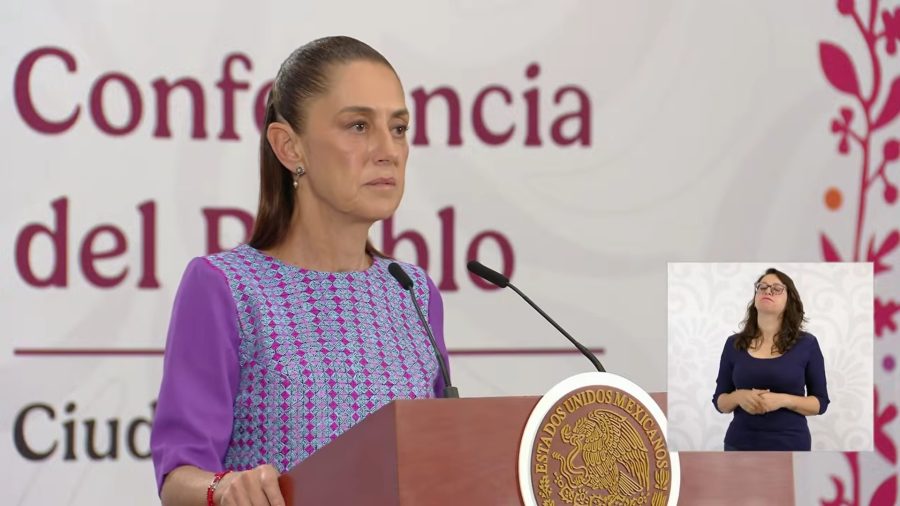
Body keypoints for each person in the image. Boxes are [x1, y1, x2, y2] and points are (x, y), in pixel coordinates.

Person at [150, 36, 450, 506]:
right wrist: (223, 488)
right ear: (289, 147)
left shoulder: (414, 292)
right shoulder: (226, 287)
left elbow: (439, 466)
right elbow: (177, 478)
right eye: (357, 126)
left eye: (398, 128)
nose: (387, 150)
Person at [712, 267, 829, 451]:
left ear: (789, 300)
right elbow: (720, 402)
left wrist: (783, 400)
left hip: (790, 445)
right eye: (762, 287)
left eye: (776, 288)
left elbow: (820, 403)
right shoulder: (734, 344)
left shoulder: (807, 344)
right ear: (755, 297)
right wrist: (739, 396)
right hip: (738, 444)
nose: (768, 291)